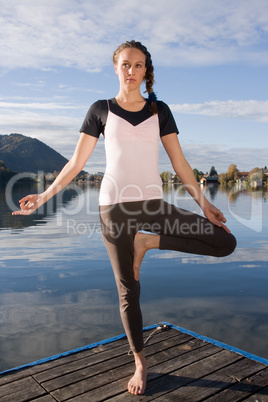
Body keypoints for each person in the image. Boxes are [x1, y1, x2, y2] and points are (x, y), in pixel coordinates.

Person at [13, 40, 236, 395]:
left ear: (147, 70)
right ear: (115, 68)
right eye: (125, 65)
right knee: (128, 291)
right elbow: (76, 164)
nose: (131, 71)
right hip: (113, 209)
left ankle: (148, 241)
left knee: (225, 242)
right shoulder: (100, 110)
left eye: (139, 65)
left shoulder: (159, 110)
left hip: (152, 204)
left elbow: (179, 162)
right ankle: (140, 362)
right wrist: (44, 195)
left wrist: (203, 202)